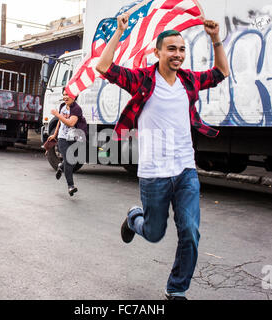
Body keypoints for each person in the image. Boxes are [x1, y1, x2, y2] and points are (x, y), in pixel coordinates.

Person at [96, 13, 229, 300]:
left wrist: (216, 39)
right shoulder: (142, 78)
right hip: (154, 173)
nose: (178, 54)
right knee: (154, 233)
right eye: (171, 48)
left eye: (181, 49)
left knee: (190, 233)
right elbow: (104, 67)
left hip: (185, 170)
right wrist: (119, 33)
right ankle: (134, 218)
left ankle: (177, 289)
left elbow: (221, 73)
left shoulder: (189, 81)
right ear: (157, 53)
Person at [47, 88, 87, 196]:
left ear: (73, 96)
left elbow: (70, 123)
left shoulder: (77, 109)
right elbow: (60, 122)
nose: (65, 97)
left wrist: (57, 114)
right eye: (64, 94)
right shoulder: (62, 107)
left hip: (74, 138)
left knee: (73, 160)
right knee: (69, 160)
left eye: (67, 95)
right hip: (63, 138)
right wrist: (55, 135)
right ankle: (71, 186)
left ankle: (60, 166)